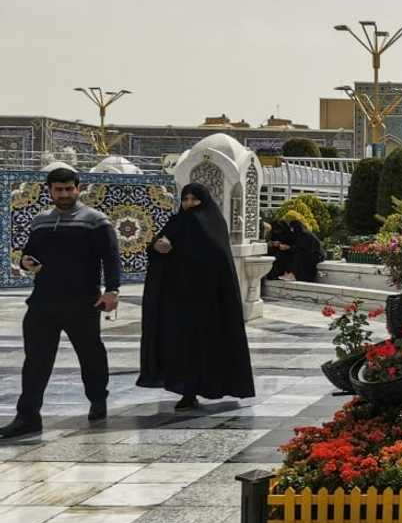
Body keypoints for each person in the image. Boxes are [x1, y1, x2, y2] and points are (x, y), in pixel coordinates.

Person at [0, 167, 120, 439]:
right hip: (43, 301)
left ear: (78, 188)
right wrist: (26, 262)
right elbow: (29, 253)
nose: (64, 194)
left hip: (82, 302)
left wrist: (112, 290)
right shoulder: (41, 220)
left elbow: (111, 258)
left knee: (90, 354)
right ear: (50, 190)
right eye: (58, 189)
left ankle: (97, 398)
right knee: (36, 361)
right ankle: (28, 417)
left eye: (69, 189)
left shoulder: (95, 220)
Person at [137, 183, 255, 410]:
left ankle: (206, 387)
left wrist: (177, 249)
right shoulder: (178, 221)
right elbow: (158, 248)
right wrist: (157, 247)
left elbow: (214, 256)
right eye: (186, 199)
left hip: (207, 301)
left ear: (205, 200)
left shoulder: (212, 223)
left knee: (206, 347)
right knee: (181, 348)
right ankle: (188, 392)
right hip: (179, 299)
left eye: (194, 199)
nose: (189, 204)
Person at [286, 218, 324, 283]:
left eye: (292, 228)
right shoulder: (301, 234)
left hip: (316, 255)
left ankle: (293, 275)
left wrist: (289, 247)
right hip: (310, 253)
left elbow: (301, 248)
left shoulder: (305, 235)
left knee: (299, 255)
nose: (291, 230)